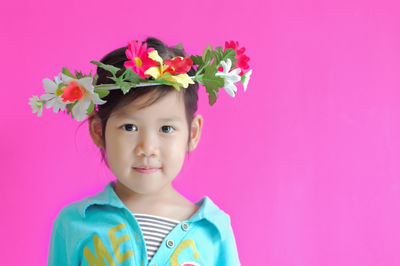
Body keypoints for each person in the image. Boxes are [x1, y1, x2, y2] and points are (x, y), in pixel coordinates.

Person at [31, 37, 252, 265]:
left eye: (166, 128)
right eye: (130, 127)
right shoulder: (74, 224)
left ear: (192, 133)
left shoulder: (214, 230)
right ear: (98, 131)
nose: (147, 148)